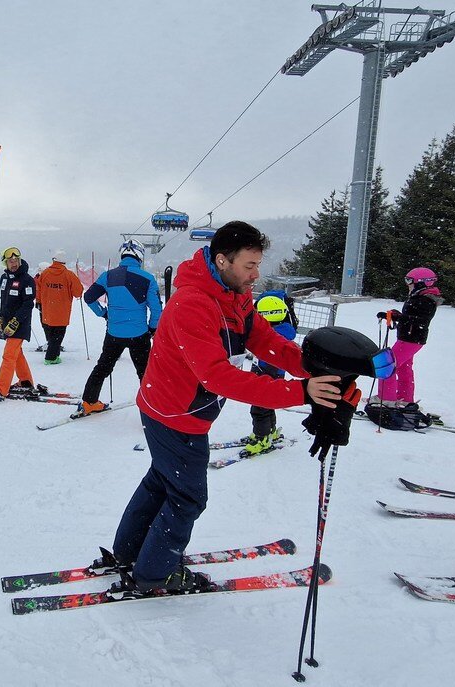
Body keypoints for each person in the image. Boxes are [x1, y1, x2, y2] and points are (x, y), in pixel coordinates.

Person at [100, 221, 367, 596]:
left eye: (258, 264)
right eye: (249, 265)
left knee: (162, 480)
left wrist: (318, 372)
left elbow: (268, 342)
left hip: (176, 408)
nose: (255, 274)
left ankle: (129, 552)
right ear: (222, 260)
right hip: (176, 415)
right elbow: (217, 377)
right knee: (188, 497)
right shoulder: (193, 304)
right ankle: (154, 574)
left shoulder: (234, 295)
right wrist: (302, 392)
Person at [77, 239, 162, 415]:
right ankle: (152, 409)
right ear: (139, 256)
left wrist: (103, 313)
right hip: (139, 334)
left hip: (114, 333)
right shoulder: (148, 278)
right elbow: (156, 310)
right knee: (145, 373)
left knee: (102, 367)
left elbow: (89, 297)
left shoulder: (107, 276)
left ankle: (89, 402)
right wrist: (152, 328)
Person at [374, 267, 442, 409]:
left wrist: (399, 317)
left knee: (388, 364)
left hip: (411, 339)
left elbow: (418, 319)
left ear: (422, 282)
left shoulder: (425, 300)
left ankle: (386, 399)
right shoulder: (419, 296)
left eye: (410, 280)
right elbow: (411, 317)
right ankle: (405, 398)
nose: (408, 284)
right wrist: (396, 316)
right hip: (409, 338)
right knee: (404, 368)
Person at [241, 293, 298, 455]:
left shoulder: (270, 334)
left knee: (258, 408)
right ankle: (270, 431)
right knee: (267, 405)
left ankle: (262, 438)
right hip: (274, 373)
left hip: (266, 373)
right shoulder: (283, 331)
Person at [0, 246, 38, 397]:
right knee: (17, 354)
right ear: (5, 263)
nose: (14, 263)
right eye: (10, 261)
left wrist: (15, 321)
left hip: (20, 324)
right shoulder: (4, 278)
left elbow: (28, 304)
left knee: (9, 355)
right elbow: (3, 300)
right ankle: (25, 381)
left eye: (16, 260)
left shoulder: (27, 280)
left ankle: (1, 388)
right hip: (8, 323)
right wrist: (1, 317)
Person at [35, 250, 84, 364]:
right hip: (62, 312)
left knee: (51, 334)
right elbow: (78, 292)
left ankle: (55, 355)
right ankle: (50, 358)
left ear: (53, 260)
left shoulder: (45, 273)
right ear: (64, 262)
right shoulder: (69, 275)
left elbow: (38, 289)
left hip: (47, 310)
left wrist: (38, 302)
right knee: (57, 336)